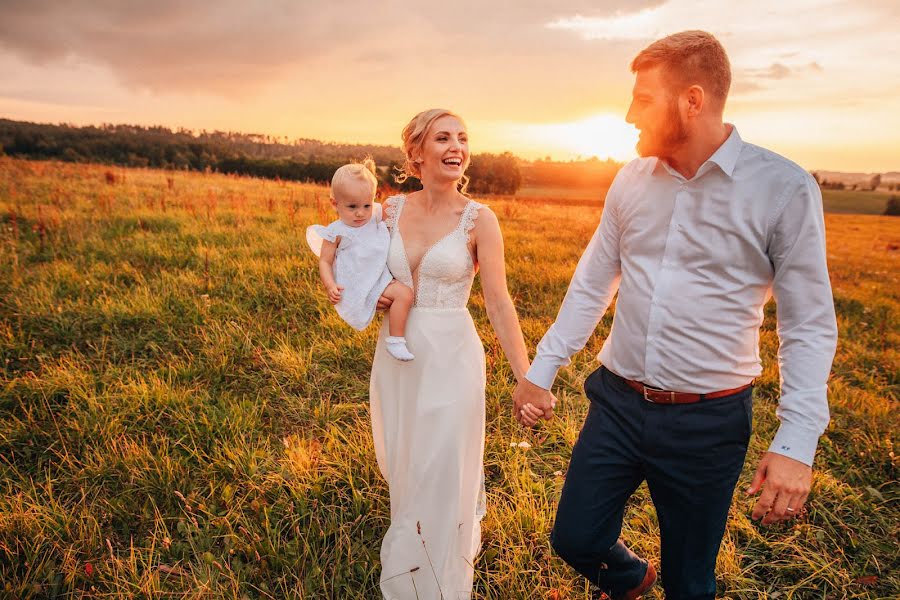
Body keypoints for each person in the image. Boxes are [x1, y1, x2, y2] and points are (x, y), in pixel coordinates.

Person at [513, 31, 838, 600]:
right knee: (575, 537)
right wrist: (542, 369)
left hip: (706, 423)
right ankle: (633, 579)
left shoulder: (783, 189)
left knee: (690, 584)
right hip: (615, 401)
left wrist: (796, 441)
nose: (628, 114)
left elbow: (808, 322)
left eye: (643, 99)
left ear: (692, 100)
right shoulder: (631, 180)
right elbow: (593, 281)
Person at [369, 108, 543, 599]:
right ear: (416, 153)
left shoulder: (480, 220)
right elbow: (359, 268)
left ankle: (436, 581)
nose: (456, 147)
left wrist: (526, 375)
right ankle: (415, 547)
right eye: (443, 137)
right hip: (397, 354)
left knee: (442, 466)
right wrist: (373, 293)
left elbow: (498, 301)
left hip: (453, 356)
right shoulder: (390, 210)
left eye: (463, 138)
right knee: (405, 463)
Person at [306, 159, 416, 360]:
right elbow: (325, 261)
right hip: (355, 281)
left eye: (367, 204)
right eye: (352, 206)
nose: (360, 213)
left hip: (378, 277)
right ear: (335, 204)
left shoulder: (374, 215)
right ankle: (394, 337)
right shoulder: (335, 232)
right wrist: (329, 285)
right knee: (403, 293)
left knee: (405, 294)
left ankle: (396, 340)